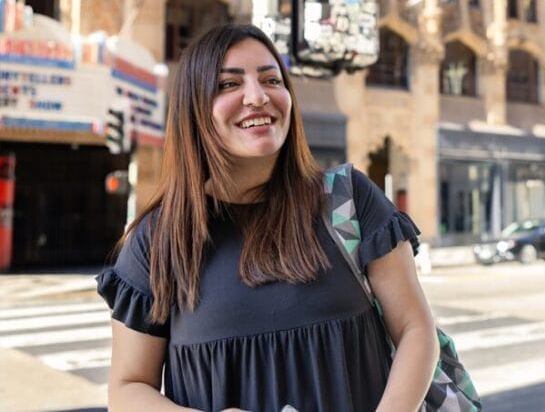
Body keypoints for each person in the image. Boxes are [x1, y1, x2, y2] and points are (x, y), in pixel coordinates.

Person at [97, 24, 439, 411]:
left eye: (271, 80)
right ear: (195, 108)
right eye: (228, 84)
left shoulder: (349, 200)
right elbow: (126, 389)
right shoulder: (158, 239)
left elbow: (415, 329)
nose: (258, 96)